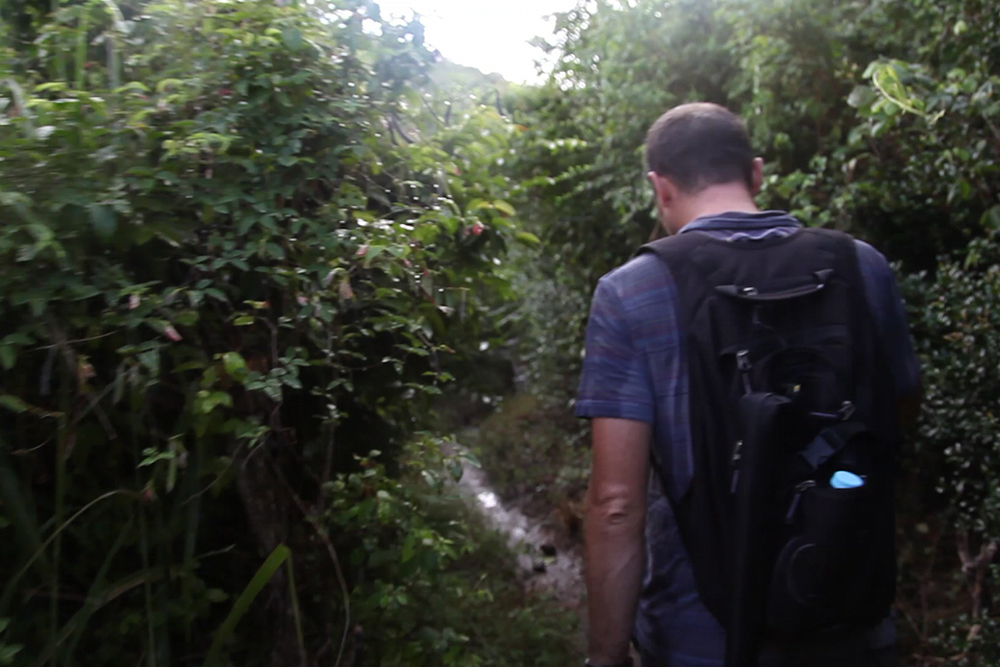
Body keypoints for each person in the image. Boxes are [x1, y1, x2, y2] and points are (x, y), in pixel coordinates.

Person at [575, 102, 922, 667]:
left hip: (702, 635)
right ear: (756, 173)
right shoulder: (862, 266)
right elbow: (898, 413)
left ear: (659, 187)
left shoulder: (630, 292)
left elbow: (616, 504)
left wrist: (605, 656)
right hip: (851, 611)